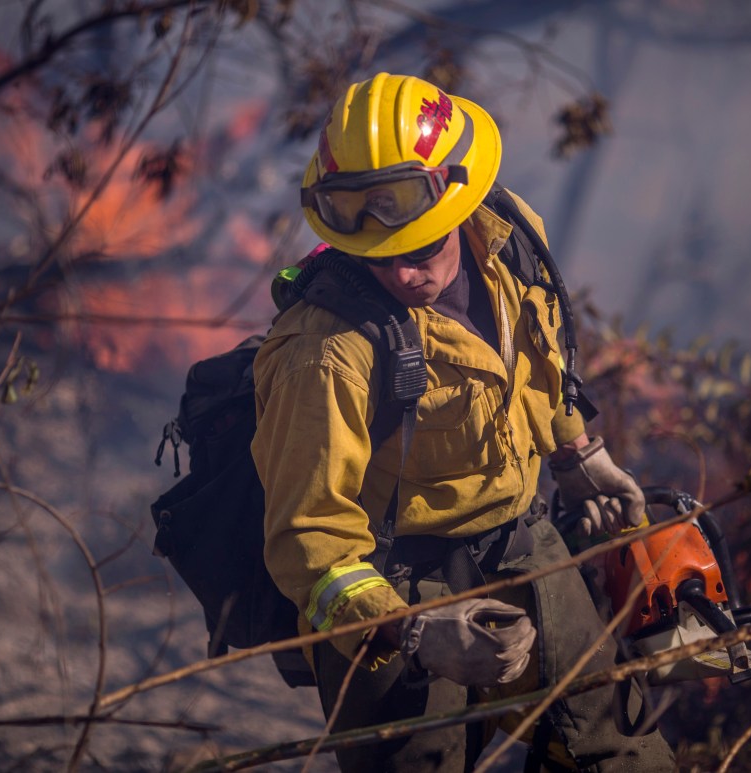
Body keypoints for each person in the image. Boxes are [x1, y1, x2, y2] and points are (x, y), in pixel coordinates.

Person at [251, 72, 675, 772]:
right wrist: (411, 634)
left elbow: (538, 355)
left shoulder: (512, 240)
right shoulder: (323, 354)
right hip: (393, 583)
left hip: (522, 542)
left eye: (419, 245)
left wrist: (573, 453)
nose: (404, 274)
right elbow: (309, 542)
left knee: (618, 752)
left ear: (458, 194)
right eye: (378, 253)